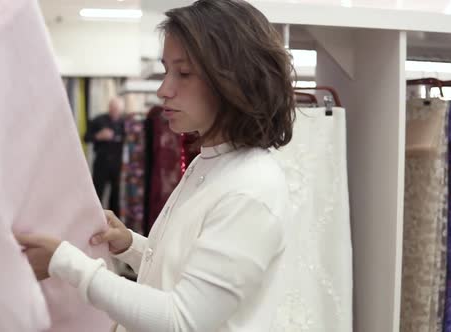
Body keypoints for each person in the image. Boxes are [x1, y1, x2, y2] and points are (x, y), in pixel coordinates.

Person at [15, 0, 296, 330]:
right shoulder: (212, 163)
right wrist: (131, 245)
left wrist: (65, 262)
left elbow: (180, 320)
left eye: (184, 73)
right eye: (167, 71)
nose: (164, 90)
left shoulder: (250, 189)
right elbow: (186, 269)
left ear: (234, 79)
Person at [84, 97, 126, 215]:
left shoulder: (125, 123)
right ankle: (94, 217)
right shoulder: (99, 120)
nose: (114, 112)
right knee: (97, 193)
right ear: (109, 108)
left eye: (117, 110)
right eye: (113, 108)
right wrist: (98, 136)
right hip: (101, 162)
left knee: (116, 195)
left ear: (121, 110)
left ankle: (115, 222)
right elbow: (86, 137)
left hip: (117, 163)